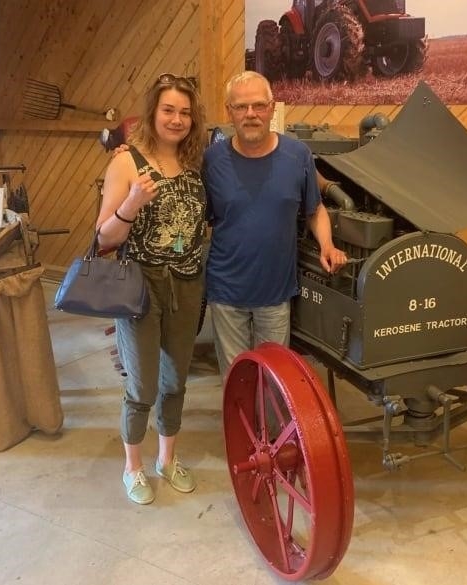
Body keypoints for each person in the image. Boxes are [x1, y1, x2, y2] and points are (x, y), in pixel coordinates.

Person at [96, 73, 207, 505]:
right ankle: (133, 467)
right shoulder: (126, 162)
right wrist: (130, 205)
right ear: (152, 112)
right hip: (140, 288)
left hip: (187, 284)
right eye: (168, 110)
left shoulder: (197, 160)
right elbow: (104, 238)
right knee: (142, 385)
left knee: (175, 380)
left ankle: (167, 459)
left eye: (185, 112)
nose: (177, 119)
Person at [203, 71, 348, 377]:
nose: (250, 114)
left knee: (274, 381)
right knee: (236, 381)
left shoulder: (297, 156)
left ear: (271, 108)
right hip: (226, 290)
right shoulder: (212, 161)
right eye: (241, 107)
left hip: (276, 292)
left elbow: (315, 209)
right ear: (229, 112)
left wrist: (327, 245)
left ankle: (267, 427)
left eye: (258, 105)